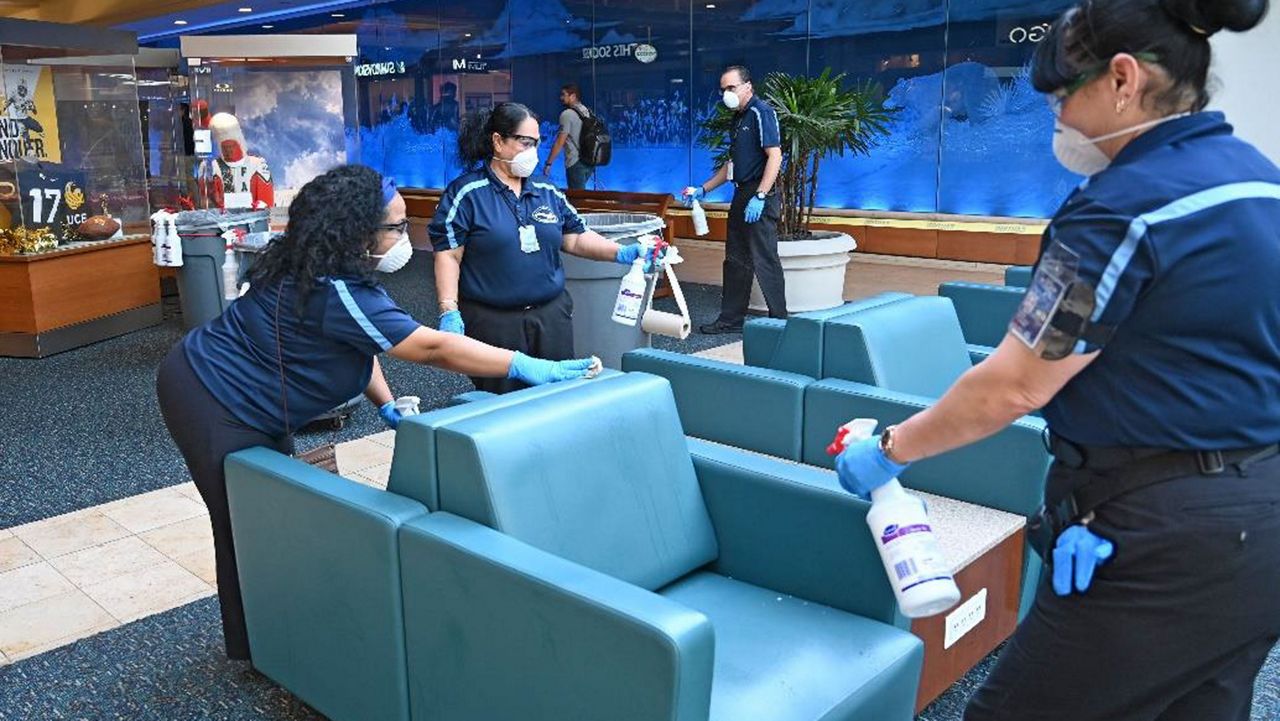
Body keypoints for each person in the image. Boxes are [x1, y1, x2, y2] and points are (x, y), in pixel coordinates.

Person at [833, 1, 1280, 719]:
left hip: (1158, 540)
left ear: (1124, 79)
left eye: (1062, 95)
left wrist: (888, 452)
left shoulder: (1119, 211)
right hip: (1260, 522)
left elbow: (1014, 384)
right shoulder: (1261, 182)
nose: (1057, 118)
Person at [156, 165, 596, 662]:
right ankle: (261, 646)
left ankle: (284, 627)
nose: (404, 238)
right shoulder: (333, 287)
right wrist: (526, 363)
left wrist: (386, 405)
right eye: (395, 227)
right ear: (357, 231)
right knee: (245, 521)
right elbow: (431, 348)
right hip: (212, 395)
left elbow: (357, 345)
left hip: (250, 396)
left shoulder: (335, 275)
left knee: (271, 512)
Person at [431, 102, 661, 394]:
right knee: (504, 404)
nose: (533, 151)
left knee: (557, 395)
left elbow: (575, 237)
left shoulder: (546, 190)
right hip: (494, 322)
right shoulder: (466, 194)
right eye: (525, 142)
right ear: (498, 141)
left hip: (551, 316)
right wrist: (448, 310)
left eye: (537, 143)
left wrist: (624, 253)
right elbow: (449, 254)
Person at [682, 64, 786, 334]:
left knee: (765, 259)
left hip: (759, 195)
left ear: (747, 86)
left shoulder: (761, 113)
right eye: (723, 89)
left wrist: (761, 194)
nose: (726, 93)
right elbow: (732, 164)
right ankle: (730, 320)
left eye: (731, 87)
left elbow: (774, 156)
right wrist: (703, 189)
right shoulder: (738, 118)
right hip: (741, 193)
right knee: (735, 259)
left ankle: (780, 322)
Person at [543, 84, 593, 189]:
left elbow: (560, 141)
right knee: (581, 196)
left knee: (577, 200)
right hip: (589, 160)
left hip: (575, 162)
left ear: (573, 96)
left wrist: (549, 163)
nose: (561, 98)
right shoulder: (586, 111)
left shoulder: (567, 114)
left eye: (564, 95)